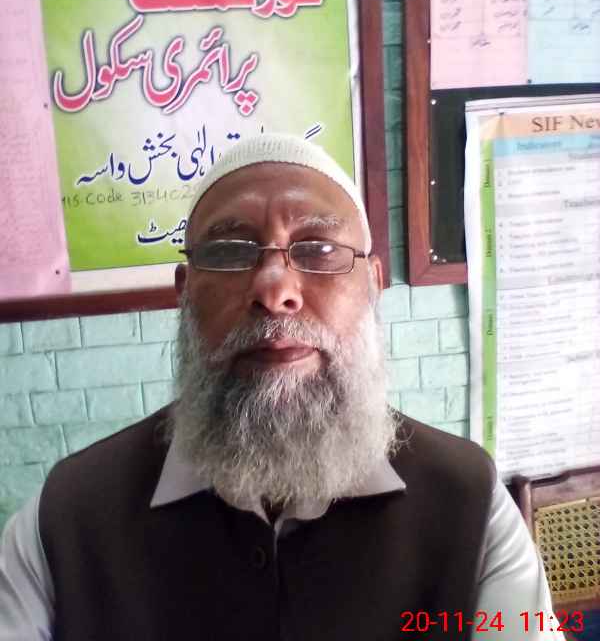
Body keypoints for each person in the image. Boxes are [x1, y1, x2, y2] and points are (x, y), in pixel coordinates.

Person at [0, 133, 563, 640]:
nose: (274, 290)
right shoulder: (66, 518)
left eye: (319, 249)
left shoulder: (470, 505)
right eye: (228, 252)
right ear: (185, 292)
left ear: (372, 283)